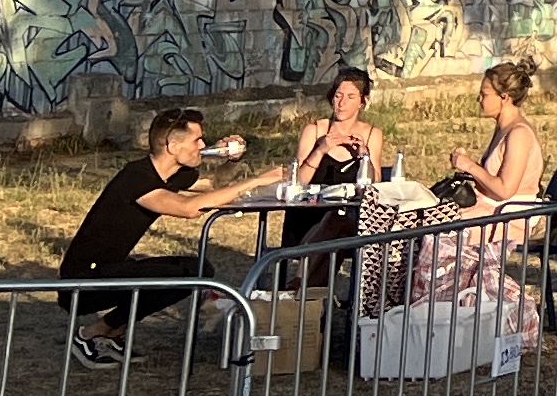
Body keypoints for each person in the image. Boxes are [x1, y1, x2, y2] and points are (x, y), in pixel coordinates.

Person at [59, 107, 281, 365]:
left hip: (112, 268)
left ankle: (111, 331)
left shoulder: (169, 174)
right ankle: (89, 335)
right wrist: (255, 181)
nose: (202, 145)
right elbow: (189, 209)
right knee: (178, 275)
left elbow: (215, 186)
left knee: (195, 269)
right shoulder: (137, 178)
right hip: (83, 281)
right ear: (172, 145)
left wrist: (231, 160)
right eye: (197, 140)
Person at [285, 64, 389, 248]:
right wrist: (321, 150)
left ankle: (304, 277)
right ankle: (305, 275)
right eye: (338, 95)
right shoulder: (314, 130)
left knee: (339, 222)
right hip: (310, 213)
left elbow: (376, 185)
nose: (342, 103)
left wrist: (364, 157)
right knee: (329, 226)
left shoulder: (372, 134)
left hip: (351, 216)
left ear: (362, 102)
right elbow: (297, 181)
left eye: (350, 97)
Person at [439, 59, 548, 209]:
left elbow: (505, 190)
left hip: (509, 219)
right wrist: (465, 164)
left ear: (504, 98)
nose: (479, 99)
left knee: (424, 229)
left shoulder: (519, 134)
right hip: (491, 212)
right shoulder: (503, 128)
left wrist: (471, 167)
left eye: (484, 94)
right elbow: (491, 181)